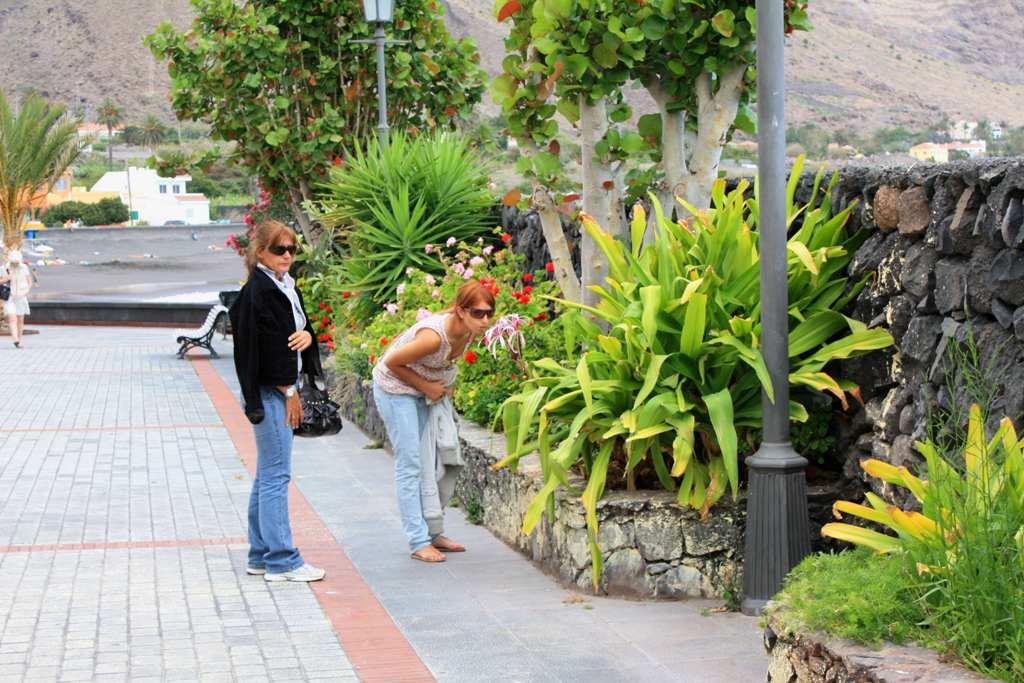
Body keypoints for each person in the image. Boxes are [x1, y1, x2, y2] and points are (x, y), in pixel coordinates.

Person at [229, 219, 325, 582]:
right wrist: (287, 390)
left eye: (291, 249)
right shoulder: (259, 292)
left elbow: (297, 332)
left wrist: (307, 337)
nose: (286, 256)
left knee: (268, 474)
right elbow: (258, 350)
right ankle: (283, 560)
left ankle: (260, 554)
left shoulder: (284, 287)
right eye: (279, 249)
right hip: (273, 393)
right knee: (276, 475)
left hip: (280, 390)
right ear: (260, 253)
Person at [372, 280, 495, 562]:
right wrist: (427, 387)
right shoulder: (433, 337)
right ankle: (417, 541)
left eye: (489, 313)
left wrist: (444, 387)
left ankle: (433, 532)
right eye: (478, 313)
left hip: (422, 391)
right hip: (394, 390)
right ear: (460, 310)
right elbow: (391, 362)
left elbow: (446, 364)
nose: (485, 320)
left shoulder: (468, 332)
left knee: (432, 462)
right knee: (410, 463)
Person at [1, 250, 32, 348]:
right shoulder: (4, 268)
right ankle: (15, 340)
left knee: (20, 320)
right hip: (9, 296)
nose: (15, 264)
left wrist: (26, 291)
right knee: (12, 318)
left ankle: (19, 339)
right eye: (13, 262)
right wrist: (5, 279)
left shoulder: (24, 268)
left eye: (16, 262)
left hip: (21, 296)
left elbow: (29, 281)